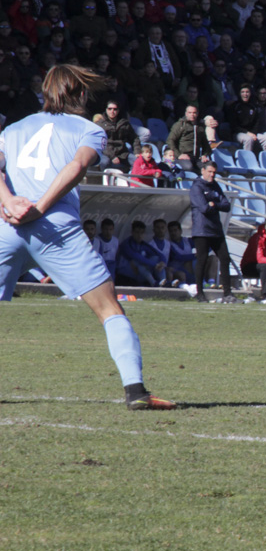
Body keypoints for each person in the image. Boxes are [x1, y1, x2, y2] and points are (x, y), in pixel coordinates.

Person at [0, 64, 175, 410]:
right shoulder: (88, 129)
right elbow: (78, 167)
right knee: (109, 309)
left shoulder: (14, 128)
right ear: (80, 94)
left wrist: (8, 202)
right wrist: (40, 207)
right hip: (56, 230)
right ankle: (135, 392)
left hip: (7, 225)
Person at [189, 161, 237, 303]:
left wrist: (214, 204)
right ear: (203, 171)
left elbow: (226, 205)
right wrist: (214, 205)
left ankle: (227, 293)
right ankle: (200, 293)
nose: (212, 175)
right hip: (202, 229)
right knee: (202, 260)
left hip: (216, 229)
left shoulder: (215, 185)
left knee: (225, 258)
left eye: (214, 172)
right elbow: (203, 208)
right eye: (209, 172)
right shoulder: (196, 187)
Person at [116, 220, 166, 287]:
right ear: (132, 232)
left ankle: (163, 282)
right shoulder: (126, 244)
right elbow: (137, 257)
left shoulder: (143, 244)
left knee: (156, 258)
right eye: (137, 232)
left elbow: (159, 254)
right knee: (137, 262)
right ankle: (154, 283)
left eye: (142, 233)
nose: (139, 235)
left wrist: (162, 262)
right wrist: (155, 265)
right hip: (126, 273)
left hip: (140, 273)